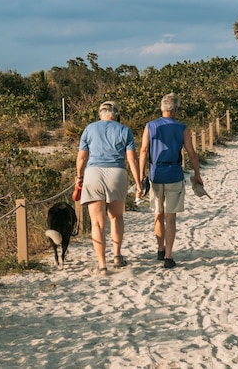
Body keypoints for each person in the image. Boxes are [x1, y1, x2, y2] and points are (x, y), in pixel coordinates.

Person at [139, 93, 203, 269]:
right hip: (174, 173)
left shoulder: (150, 126)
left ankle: (160, 248)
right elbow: (191, 153)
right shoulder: (182, 127)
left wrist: (140, 175)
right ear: (175, 109)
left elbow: (144, 151)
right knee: (170, 217)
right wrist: (197, 173)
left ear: (162, 108)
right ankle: (168, 256)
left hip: (155, 173)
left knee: (157, 214)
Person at [77, 101, 142, 275]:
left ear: (100, 113)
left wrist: (79, 177)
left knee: (97, 223)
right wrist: (138, 182)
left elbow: (82, 158)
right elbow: (132, 159)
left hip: (94, 173)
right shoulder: (124, 130)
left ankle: (102, 264)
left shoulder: (89, 129)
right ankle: (117, 255)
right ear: (116, 114)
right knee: (116, 216)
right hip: (116, 173)